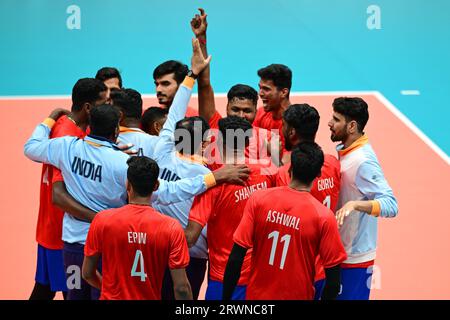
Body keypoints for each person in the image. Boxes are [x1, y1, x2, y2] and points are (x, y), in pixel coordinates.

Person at [24, 103, 224, 299]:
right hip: (109, 244)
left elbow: (31, 148)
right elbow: (167, 190)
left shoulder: (65, 146)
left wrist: (50, 119)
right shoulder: (122, 164)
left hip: (72, 243)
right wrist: (212, 178)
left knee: (73, 294)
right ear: (116, 130)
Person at [223, 142, 347, 300]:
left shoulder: (259, 199)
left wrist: (226, 299)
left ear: (290, 169)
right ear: (318, 174)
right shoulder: (324, 216)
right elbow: (334, 283)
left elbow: (236, 258)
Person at [29, 78, 107, 300]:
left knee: (45, 289)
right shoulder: (68, 137)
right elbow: (59, 195)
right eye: (104, 102)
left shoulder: (66, 125)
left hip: (50, 228)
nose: (108, 106)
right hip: (60, 233)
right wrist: (100, 218)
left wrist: (52, 116)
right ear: (88, 107)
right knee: (69, 293)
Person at [185, 116, 277, 300]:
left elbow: (190, 237)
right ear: (248, 141)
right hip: (261, 277)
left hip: (223, 279)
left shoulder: (214, 182)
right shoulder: (268, 171)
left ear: (219, 140)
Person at [82, 156, 192, 300]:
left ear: (127, 185)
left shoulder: (103, 220)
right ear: (156, 186)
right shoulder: (171, 228)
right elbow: (182, 288)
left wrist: (109, 288)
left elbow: (87, 273)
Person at [328, 97, 398, 300]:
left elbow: (391, 204)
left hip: (355, 259)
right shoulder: (345, 152)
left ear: (351, 126)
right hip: (339, 252)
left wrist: (355, 204)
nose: (330, 123)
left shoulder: (363, 160)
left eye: (336, 119)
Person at [191, 9, 281, 166]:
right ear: (226, 107)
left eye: (247, 111)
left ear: (255, 110)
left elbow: (278, 177)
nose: (241, 115)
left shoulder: (268, 138)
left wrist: (274, 156)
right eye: (235, 109)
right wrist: (201, 38)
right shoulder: (215, 127)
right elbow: (204, 84)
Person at [277, 103, 341, 299]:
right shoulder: (332, 163)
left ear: (292, 132)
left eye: (284, 126)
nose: (281, 130)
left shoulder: (284, 173)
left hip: (297, 272)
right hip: (326, 269)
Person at [254, 63, 293, 158]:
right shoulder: (260, 113)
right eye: (260, 87)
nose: (260, 93)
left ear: (283, 92)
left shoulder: (295, 124)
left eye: (266, 89)